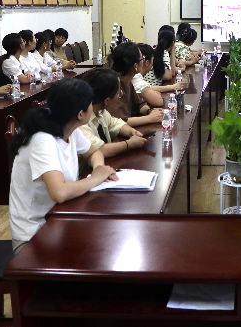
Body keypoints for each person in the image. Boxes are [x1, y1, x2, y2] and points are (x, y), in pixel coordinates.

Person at [9, 78, 117, 253]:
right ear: (80, 114)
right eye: (90, 103)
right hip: (34, 234)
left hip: (61, 218)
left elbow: (94, 153)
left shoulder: (69, 129)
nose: (93, 107)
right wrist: (96, 178)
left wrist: (98, 168)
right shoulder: (43, 139)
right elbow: (59, 192)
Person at [80, 68, 147, 157]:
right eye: (118, 93)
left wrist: (132, 132)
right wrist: (129, 144)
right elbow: (99, 150)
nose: (119, 96)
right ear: (107, 101)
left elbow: (115, 123)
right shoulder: (80, 122)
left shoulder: (100, 111)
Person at [108, 42, 164, 127]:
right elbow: (119, 121)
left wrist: (150, 111)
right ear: (135, 66)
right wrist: (149, 118)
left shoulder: (128, 82)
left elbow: (139, 105)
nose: (143, 61)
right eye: (142, 59)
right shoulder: (114, 86)